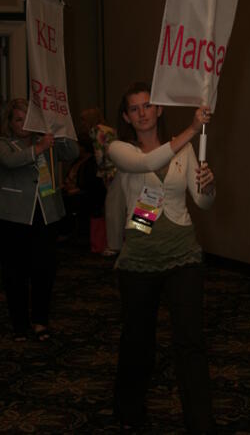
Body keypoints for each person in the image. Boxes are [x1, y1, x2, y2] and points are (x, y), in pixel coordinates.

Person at [108, 82, 217, 435]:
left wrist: (208, 184)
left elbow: (201, 203)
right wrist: (193, 127)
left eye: (147, 106)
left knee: (190, 340)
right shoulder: (120, 149)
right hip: (140, 257)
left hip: (183, 255)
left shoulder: (185, 153)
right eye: (134, 108)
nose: (142, 113)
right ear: (126, 116)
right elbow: (150, 161)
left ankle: (200, 421)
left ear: (158, 110)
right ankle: (129, 410)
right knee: (138, 341)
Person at [0, 98, 79, 342]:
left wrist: (60, 125)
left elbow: (72, 151)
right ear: (10, 122)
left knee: (44, 271)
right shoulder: (2, 143)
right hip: (13, 219)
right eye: (18, 119)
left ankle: (41, 321)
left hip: (46, 215)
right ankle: (19, 325)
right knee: (15, 274)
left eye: (27, 119)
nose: (24, 124)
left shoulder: (45, 140)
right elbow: (9, 161)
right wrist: (39, 147)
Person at [79, 107, 118, 255]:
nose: (81, 123)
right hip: (118, 169)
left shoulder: (95, 131)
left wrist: (101, 172)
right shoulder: (110, 129)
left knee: (104, 209)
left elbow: (99, 155)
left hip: (107, 172)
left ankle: (102, 245)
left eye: (83, 120)